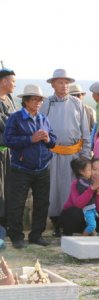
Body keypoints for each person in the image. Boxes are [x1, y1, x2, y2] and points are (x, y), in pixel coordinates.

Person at [40, 69, 91, 237]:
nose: (64, 86)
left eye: (66, 82)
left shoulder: (77, 104)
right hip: (52, 154)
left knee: (71, 190)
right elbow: (40, 128)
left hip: (74, 155)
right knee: (53, 190)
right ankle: (55, 224)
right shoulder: (46, 104)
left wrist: (84, 155)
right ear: (53, 84)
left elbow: (85, 131)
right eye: (60, 82)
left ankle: (68, 223)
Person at [4, 84, 56, 249]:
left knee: (42, 203)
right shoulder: (15, 118)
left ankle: (36, 235)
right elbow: (8, 140)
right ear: (25, 101)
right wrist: (30, 139)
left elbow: (53, 140)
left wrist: (48, 139)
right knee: (17, 203)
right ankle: (17, 237)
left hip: (42, 168)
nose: (38, 102)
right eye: (34, 99)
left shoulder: (43, 119)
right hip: (21, 168)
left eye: (40, 99)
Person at [60, 158, 99, 236]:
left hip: (90, 218)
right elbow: (78, 205)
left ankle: (92, 231)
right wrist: (91, 189)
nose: (97, 173)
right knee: (74, 211)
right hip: (76, 218)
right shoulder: (77, 183)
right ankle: (68, 234)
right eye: (94, 169)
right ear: (85, 170)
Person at [0, 67, 16, 228]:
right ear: (4, 81)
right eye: (12, 81)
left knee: (8, 188)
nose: (14, 85)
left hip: (9, 152)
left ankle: (5, 223)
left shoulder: (9, 99)